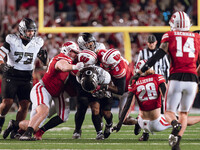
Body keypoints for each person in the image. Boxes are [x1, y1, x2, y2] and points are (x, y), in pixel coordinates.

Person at [129, 11, 200, 150]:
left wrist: (139, 72)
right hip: (192, 78)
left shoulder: (170, 35)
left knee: (169, 112)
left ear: (173, 23)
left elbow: (157, 56)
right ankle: (177, 141)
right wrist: (196, 78)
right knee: (184, 113)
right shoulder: (196, 37)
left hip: (176, 77)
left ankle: (174, 124)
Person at [3, 41, 84, 140]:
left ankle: (15, 125)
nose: (75, 55)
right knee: (44, 110)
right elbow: (63, 66)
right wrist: (75, 67)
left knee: (35, 126)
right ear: (66, 50)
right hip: (43, 89)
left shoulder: (70, 60)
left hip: (55, 93)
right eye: (73, 52)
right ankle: (27, 135)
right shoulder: (62, 58)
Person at [113, 60, 200, 142]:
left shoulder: (134, 82)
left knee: (143, 112)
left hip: (141, 121)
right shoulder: (157, 78)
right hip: (155, 123)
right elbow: (166, 96)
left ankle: (144, 132)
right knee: (181, 119)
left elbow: (127, 106)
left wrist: (119, 124)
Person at [0, 18, 48, 137]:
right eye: (28, 31)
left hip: (26, 76)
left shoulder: (37, 42)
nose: (31, 33)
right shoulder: (12, 40)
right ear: (21, 31)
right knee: (7, 103)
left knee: (25, 104)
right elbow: (0, 54)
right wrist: (2, 64)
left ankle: (16, 128)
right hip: (11, 74)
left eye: (32, 31)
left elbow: (44, 63)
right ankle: (0, 119)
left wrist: (44, 61)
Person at [73, 33, 106, 140]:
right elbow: (73, 68)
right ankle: (77, 130)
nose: (91, 45)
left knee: (96, 108)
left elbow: (104, 62)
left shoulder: (100, 48)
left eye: (92, 43)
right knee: (82, 108)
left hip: (96, 81)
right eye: (88, 44)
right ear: (82, 45)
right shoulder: (77, 53)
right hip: (81, 81)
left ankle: (99, 132)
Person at [101, 49, 136, 125]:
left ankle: (139, 122)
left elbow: (120, 91)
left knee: (123, 119)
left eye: (108, 65)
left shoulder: (120, 69)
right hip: (116, 86)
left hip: (127, 91)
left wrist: (105, 87)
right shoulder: (107, 58)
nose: (105, 66)